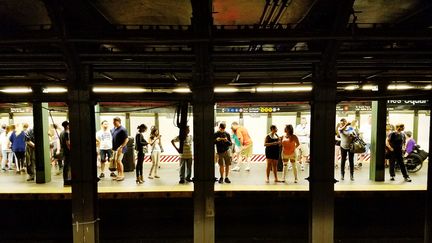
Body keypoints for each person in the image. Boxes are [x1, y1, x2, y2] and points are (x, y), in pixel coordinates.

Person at [111, 117, 129, 181]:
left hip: (121, 148)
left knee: (119, 161)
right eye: (113, 122)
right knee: (116, 162)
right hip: (115, 148)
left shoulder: (123, 129)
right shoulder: (113, 129)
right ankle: (118, 174)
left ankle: (122, 175)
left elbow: (127, 139)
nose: (113, 123)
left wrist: (121, 147)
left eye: (114, 122)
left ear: (118, 121)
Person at [60, 121, 71, 186]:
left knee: (66, 166)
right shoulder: (66, 133)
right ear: (67, 126)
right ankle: (67, 180)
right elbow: (68, 143)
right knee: (67, 166)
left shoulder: (61, 133)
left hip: (64, 151)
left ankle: (66, 180)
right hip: (67, 152)